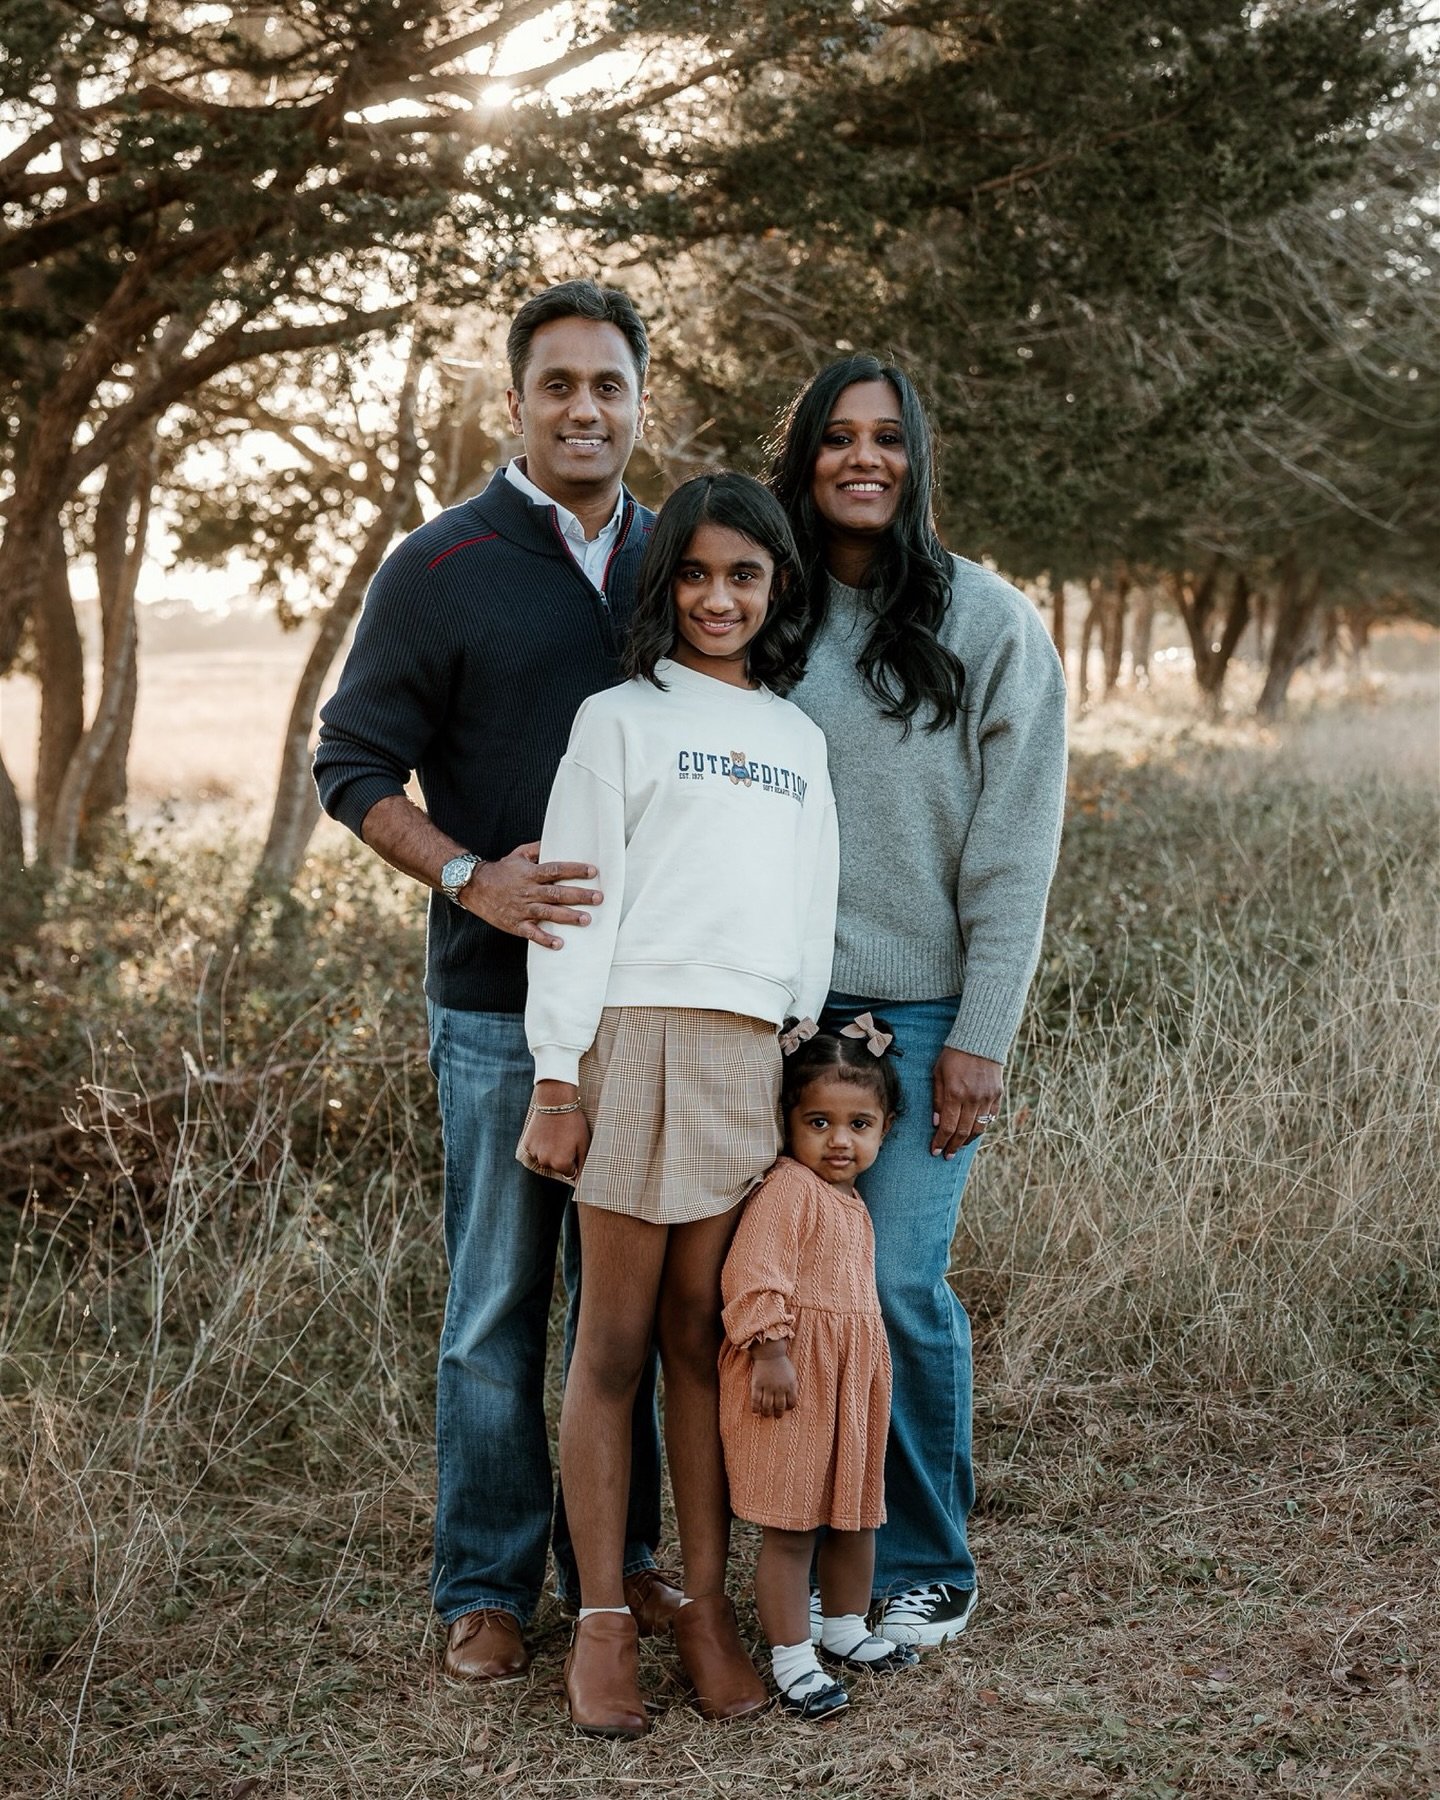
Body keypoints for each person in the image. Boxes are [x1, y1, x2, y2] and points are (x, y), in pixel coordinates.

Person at [313, 279, 680, 1685]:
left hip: (652, 1007)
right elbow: (352, 767)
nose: (585, 409)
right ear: (514, 402)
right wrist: (476, 877)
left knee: (630, 1305)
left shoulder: (681, 557)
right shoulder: (440, 564)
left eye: (609, 387)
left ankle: (622, 1567)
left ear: (640, 403)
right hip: (492, 1002)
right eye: (559, 386)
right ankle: (481, 1584)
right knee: (496, 1302)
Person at [518, 471, 839, 1737]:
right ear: (667, 586)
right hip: (632, 1038)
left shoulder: (798, 739)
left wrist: (795, 1043)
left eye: (744, 575)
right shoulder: (618, 719)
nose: (718, 597)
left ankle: (704, 1609)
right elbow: (573, 902)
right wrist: (558, 1074)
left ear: (776, 588)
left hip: (745, 1053)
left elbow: (807, 906)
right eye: (696, 574)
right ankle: (603, 1619)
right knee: (612, 1340)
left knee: (706, 1337)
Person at [766, 354, 1068, 1646]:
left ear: (918, 457)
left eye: (887, 437)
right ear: (806, 457)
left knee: (894, 1286)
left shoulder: (990, 622)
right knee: (773, 1289)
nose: (863, 459)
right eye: (837, 436)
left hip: (929, 1012)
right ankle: (805, 1560)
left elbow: (1016, 848)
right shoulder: (761, 614)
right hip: (778, 1011)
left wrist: (982, 1040)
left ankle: (928, 1556)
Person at [720, 1015, 919, 1719]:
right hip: (794, 1380)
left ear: (884, 1128)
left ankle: (845, 1628)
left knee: (856, 1514)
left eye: (859, 1124)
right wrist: (770, 1350)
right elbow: (752, 1276)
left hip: (850, 1383)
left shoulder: (853, 1200)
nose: (840, 1140)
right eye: (820, 1122)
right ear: (788, 1122)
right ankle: (792, 1657)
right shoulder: (788, 1190)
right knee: (794, 1524)